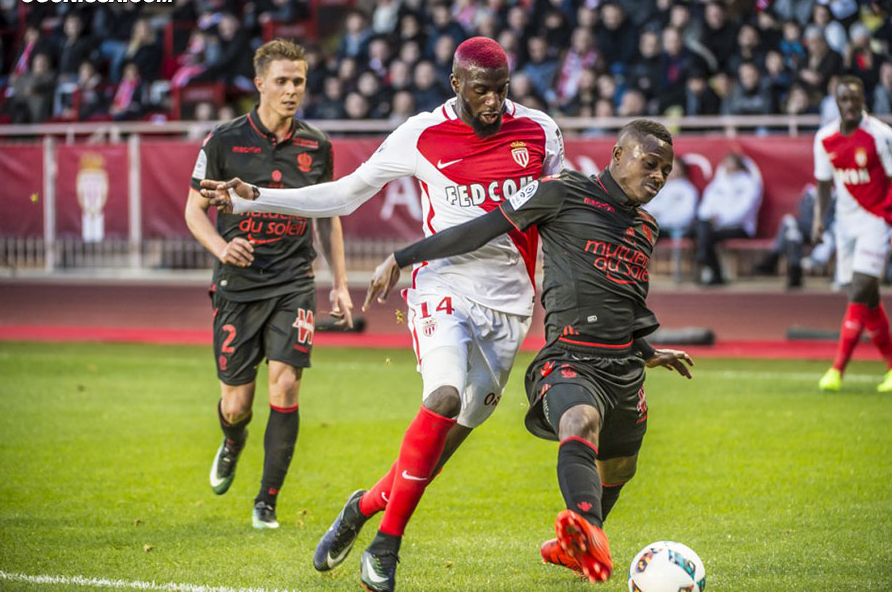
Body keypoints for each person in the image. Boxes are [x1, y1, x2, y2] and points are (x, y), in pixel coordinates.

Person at [199, 37, 563, 592]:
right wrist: (253, 199)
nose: (493, 103)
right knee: (440, 398)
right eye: (481, 91)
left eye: (502, 90)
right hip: (442, 288)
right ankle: (385, 548)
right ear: (456, 85)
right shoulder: (419, 134)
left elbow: (558, 214)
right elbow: (343, 196)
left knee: (436, 453)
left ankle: (361, 508)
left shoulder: (540, 131)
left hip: (511, 306)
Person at [363, 119, 694, 583]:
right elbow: (481, 229)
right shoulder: (562, 192)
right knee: (580, 422)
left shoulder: (646, 227)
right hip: (570, 358)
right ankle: (588, 532)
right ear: (618, 155)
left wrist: (646, 349)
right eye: (650, 163)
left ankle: (569, 546)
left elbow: (624, 297)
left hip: (624, 367)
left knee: (619, 469)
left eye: (666, 170)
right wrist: (403, 257)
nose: (658, 177)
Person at [184, 39, 354, 530]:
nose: (291, 90)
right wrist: (221, 249)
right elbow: (194, 211)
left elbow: (329, 216)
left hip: (293, 282)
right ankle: (232, 441)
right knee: (237, 405)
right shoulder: (223, 141)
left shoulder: (316, 146)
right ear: (259, 84)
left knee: (285, 384)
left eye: (298, 81)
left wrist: (339, 284)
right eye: (281, 81)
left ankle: (266, 502)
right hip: (237, 286)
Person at [812, 75, 892, 393]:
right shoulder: (825, 138)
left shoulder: (881, 135)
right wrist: (818, 220)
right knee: (868, 298)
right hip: (845, 224)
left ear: (863, 99)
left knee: (860, 288)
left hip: (878, 220)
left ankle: (837, 369)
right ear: (837, 101)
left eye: (856, 98)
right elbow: (824, 185)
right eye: (845, 99)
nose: (851, 105)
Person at [694, 153, 764, 285]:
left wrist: (721, 219)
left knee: (706, 235)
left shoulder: (748, 184)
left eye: (731, 162)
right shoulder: (718, 183)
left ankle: (710, 267)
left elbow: (744, 210)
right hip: (714, 225)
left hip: (740, 227)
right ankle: (709, 267)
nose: (728, 166)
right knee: (702, 229)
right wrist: (710, 217)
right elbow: (705, 206)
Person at [754, 183, 835, 288]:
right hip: (807, 229)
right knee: (792, 232)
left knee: (791, 230)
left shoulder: (835, 196)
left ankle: (773, 259)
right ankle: (795, 271)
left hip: (825, 232)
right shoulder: (810, 192)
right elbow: (802, 212)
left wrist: (818, 226)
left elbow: (832, 220)